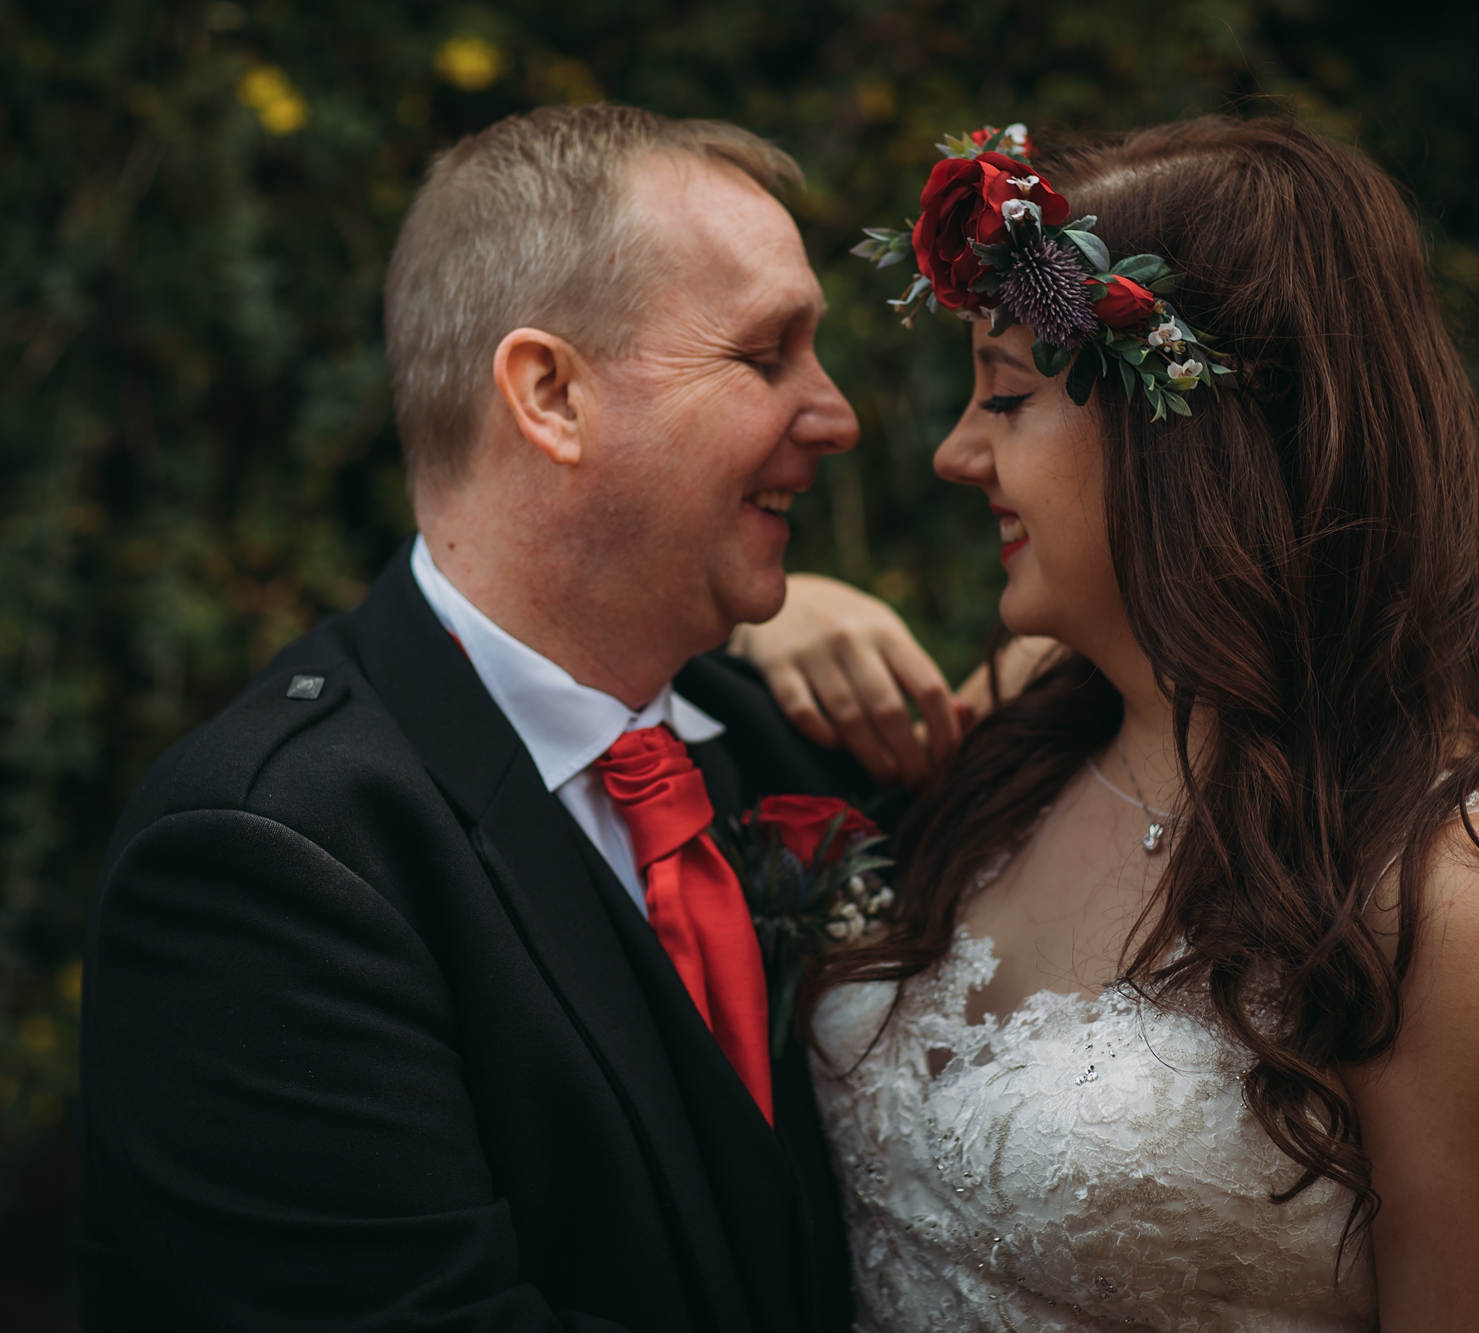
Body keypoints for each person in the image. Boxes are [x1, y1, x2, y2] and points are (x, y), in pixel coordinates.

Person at [733, 116, 1479, 1331]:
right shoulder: (1012, 735)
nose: (955, 453)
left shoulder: (1458, 890)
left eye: (1003, 397)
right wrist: (761, 621)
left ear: (1187, 431)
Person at [75, 104, 908, 1331]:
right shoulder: (269, 856)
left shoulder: (787, 737)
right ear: (549, 393)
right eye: (765, 354)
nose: (836, 416)